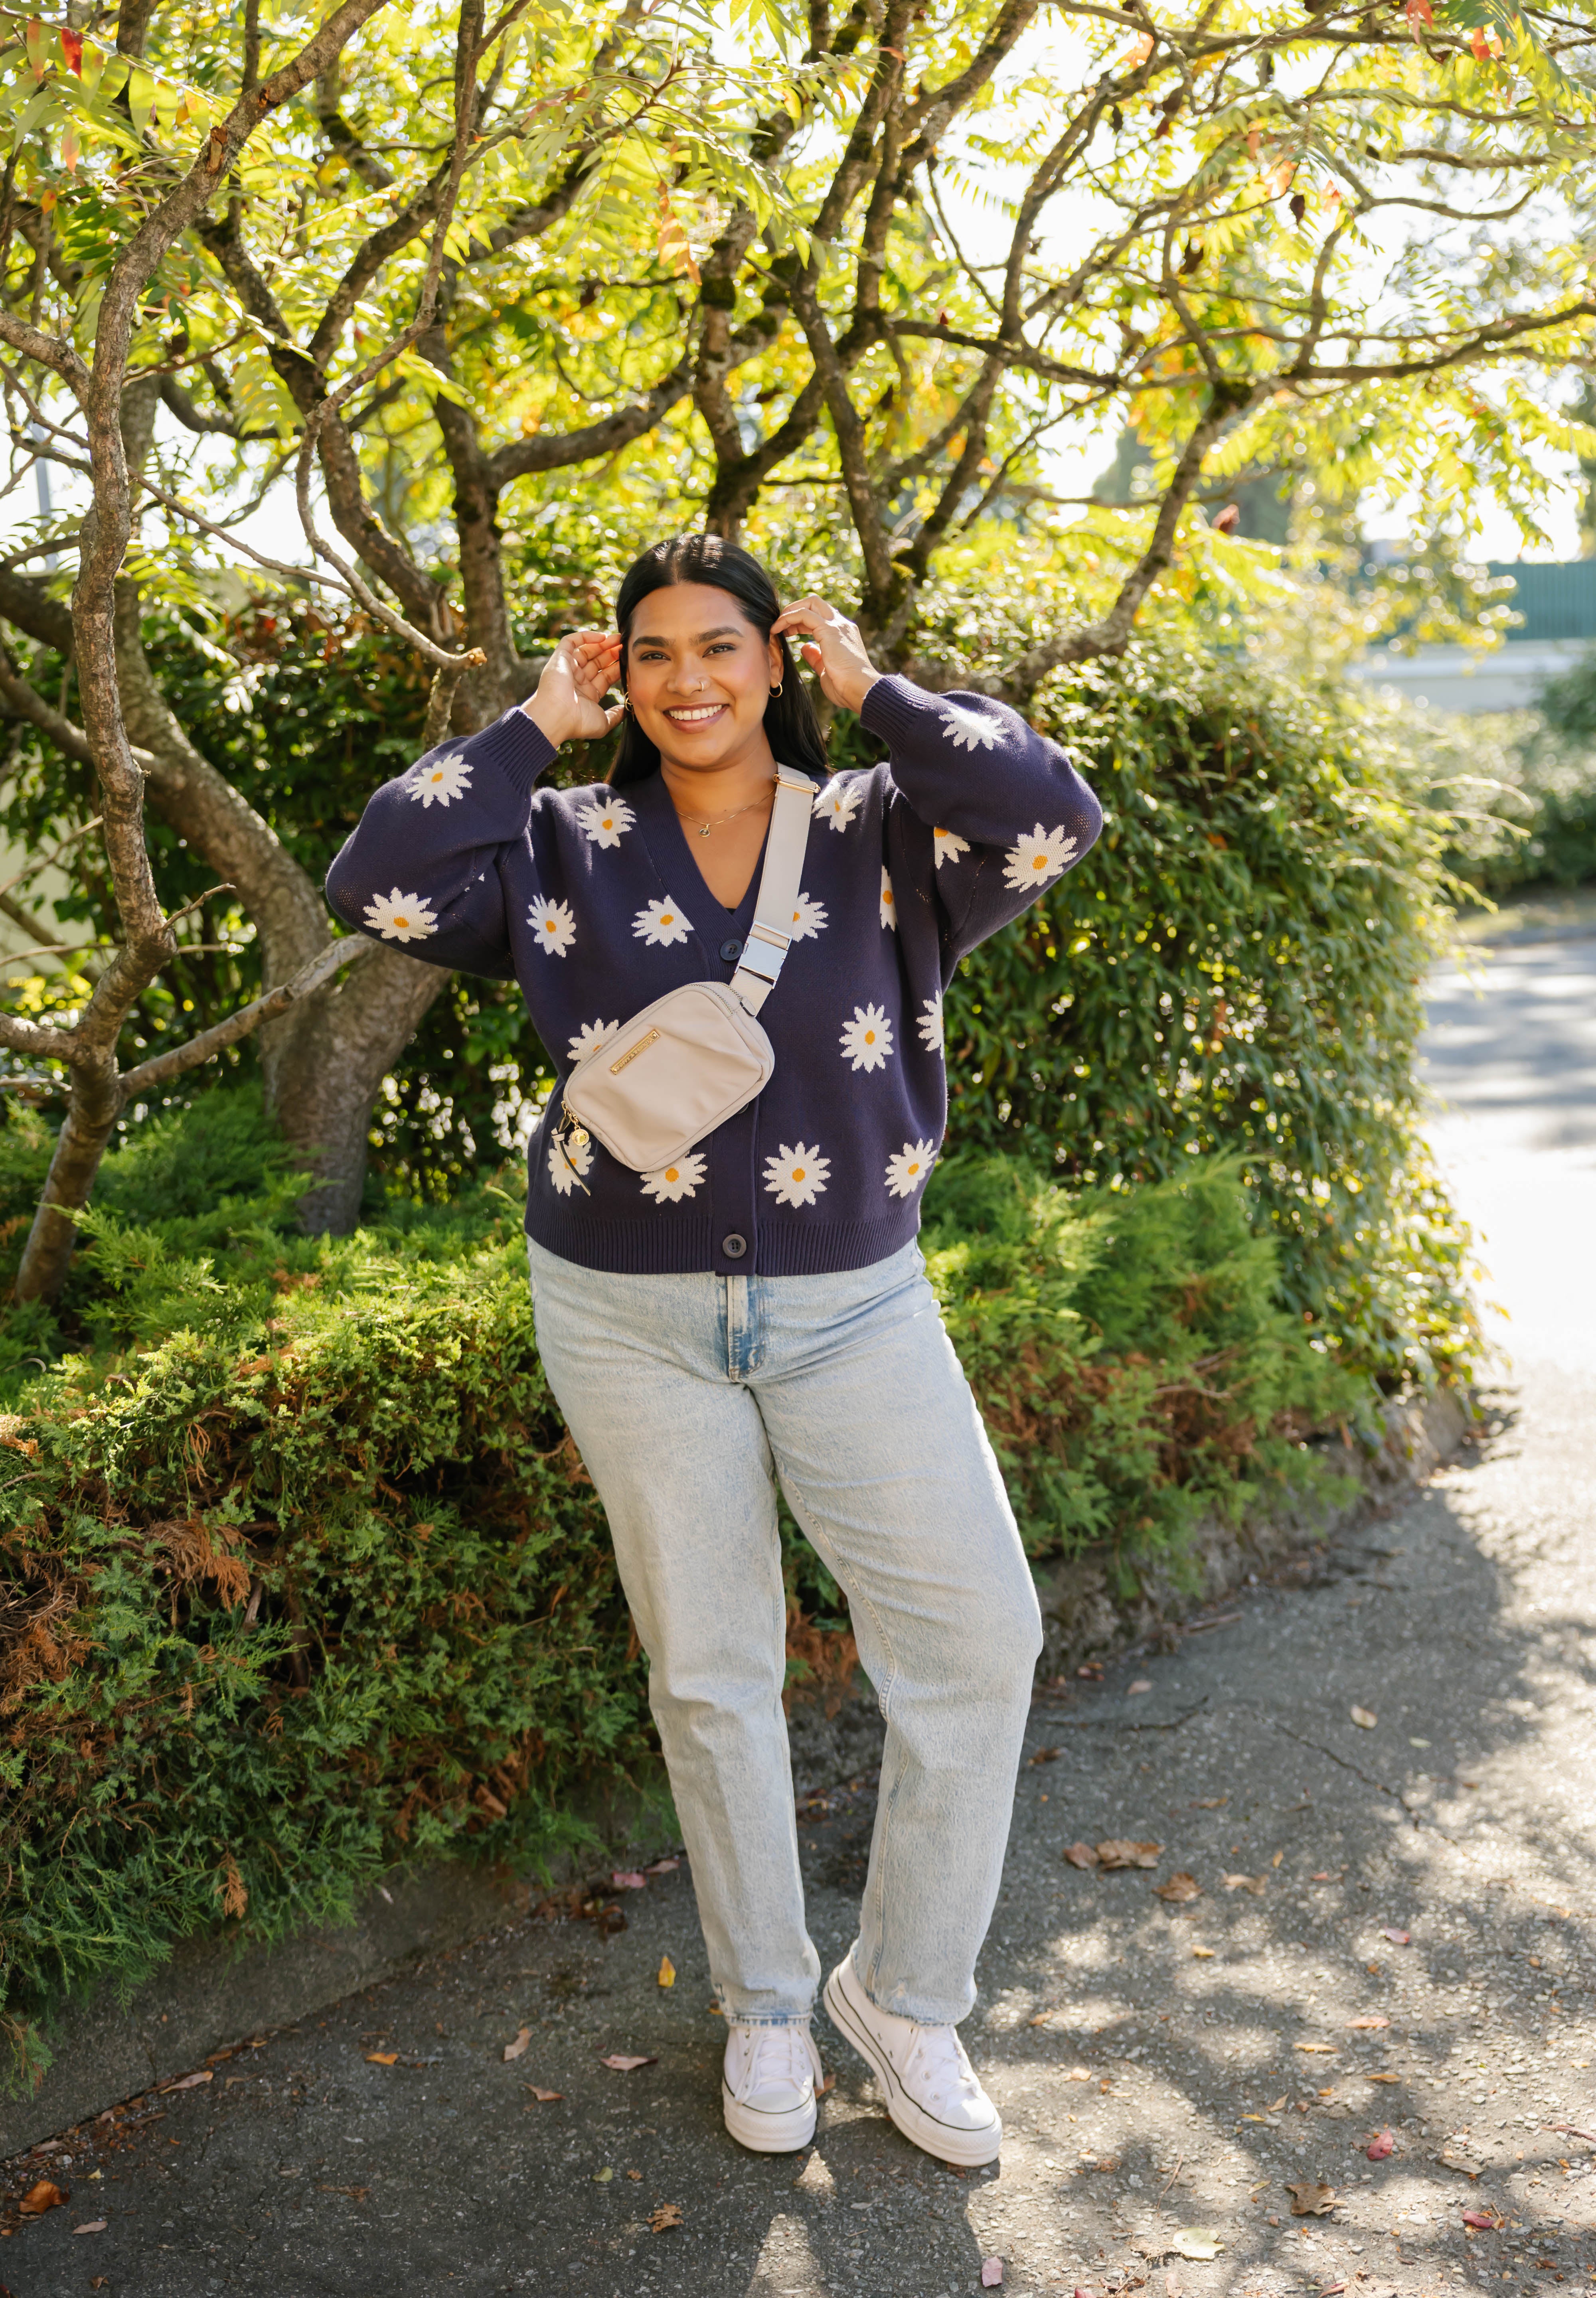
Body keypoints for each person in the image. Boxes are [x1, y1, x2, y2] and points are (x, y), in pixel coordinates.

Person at [326, 534, 1102, 2166]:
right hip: (627, 1315)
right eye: (653, 652)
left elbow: (1052, 814)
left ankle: (906, 1996)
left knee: (976, 1642)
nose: (689, 681)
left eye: (723, 648)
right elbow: (377, 881)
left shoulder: (880, 830)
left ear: (775, 658)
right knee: (711, 1671)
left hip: (853, 1307)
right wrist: (535, 722)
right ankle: (764, 2005)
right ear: (621, 671)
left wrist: (878, 693)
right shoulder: (560, 844)